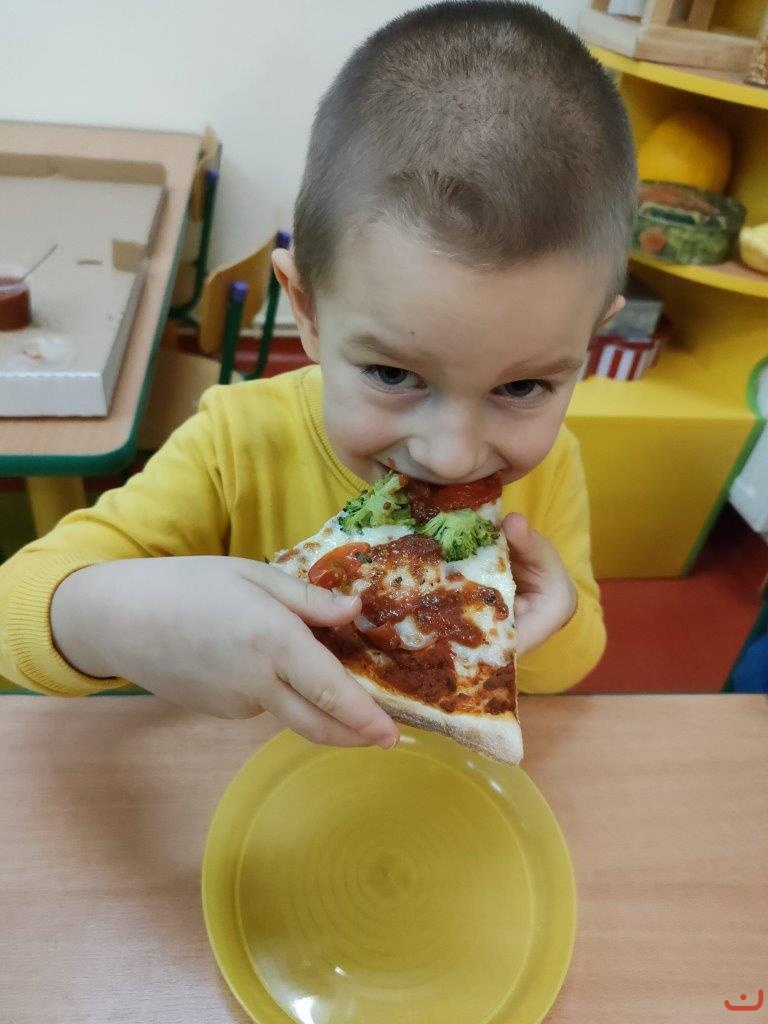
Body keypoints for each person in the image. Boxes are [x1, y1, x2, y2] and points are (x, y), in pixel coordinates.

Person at [0, 2, 635, 751]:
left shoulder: (554, 467)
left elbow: (578, 655)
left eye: (522, 388)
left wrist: (540, 620)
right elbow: (16, 608)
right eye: (392, 373)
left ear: (589, 342)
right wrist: (117, 619)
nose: (451, 456)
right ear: (304, 309)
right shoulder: (238, 441)